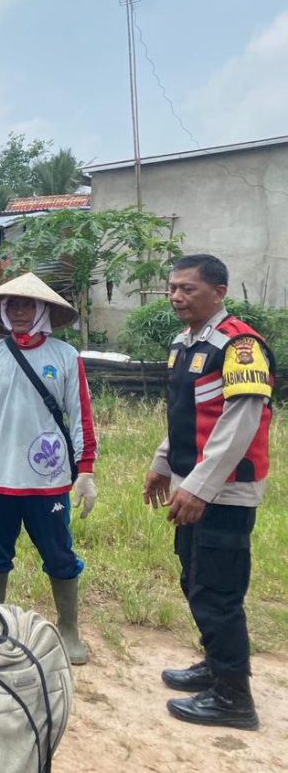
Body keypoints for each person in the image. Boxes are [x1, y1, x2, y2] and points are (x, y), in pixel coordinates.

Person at [144, 254, 273, 731]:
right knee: (193, 578)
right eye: (172, 287)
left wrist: (199, 487)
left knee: (217, 590)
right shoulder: (184, 344)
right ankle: (216, 665)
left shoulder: (240, 346)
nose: (176, 296)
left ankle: (235, 697)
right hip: (192, 484)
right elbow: (183, 412)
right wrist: (163, 465)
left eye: (188, 289)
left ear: (218, 292)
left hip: (225, 490)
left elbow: (239, 422)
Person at [0, 272, 98, 666]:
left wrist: (85, 472)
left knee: (59, 554)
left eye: (28, 304)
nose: (19, 311)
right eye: (12, 304)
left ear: (44, 311)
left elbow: (81, 415)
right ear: (3, 310)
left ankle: (68, 627)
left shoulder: (65, 358)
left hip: (48, 478)